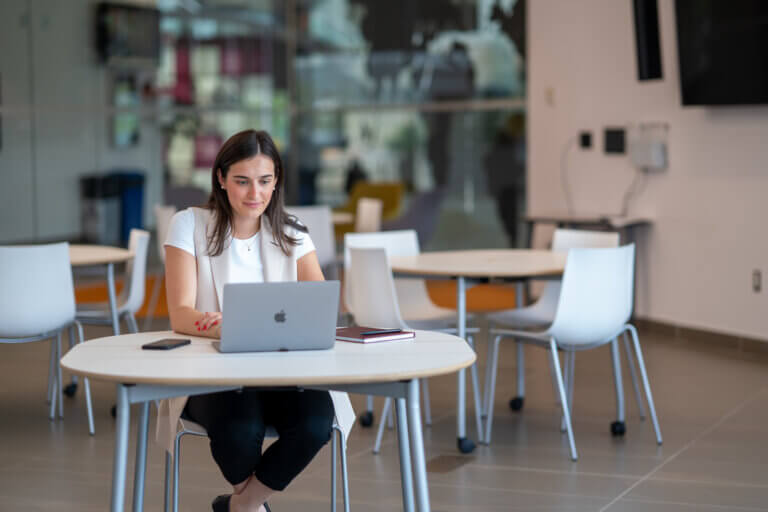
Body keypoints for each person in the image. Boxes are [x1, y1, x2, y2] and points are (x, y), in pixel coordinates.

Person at [158, 129, 354, 512]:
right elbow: (180, 313)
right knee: (238, 431)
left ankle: (242, 506)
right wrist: (220, 326)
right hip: (214, 374)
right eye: (242, 181)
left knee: (315, 424)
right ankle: (250, 506)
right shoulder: (189, 225)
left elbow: (318, 304)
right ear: (220, 178)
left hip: (284, 372)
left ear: (276, 180)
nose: (254, 194)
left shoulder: (292, 231)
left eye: (264, 181)